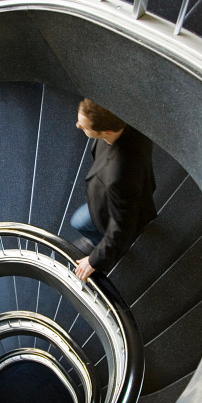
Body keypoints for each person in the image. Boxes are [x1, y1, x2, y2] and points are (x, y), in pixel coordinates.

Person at [71, 98, 156, 282]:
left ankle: (98, 243)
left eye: (84, 126)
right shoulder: (129, 123)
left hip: (119, 207)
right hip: (128, 195)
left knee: (79, 222)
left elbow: (122, 227)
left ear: (107, 132)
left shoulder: (120, 175)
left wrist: (94, 261)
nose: (77, 125)